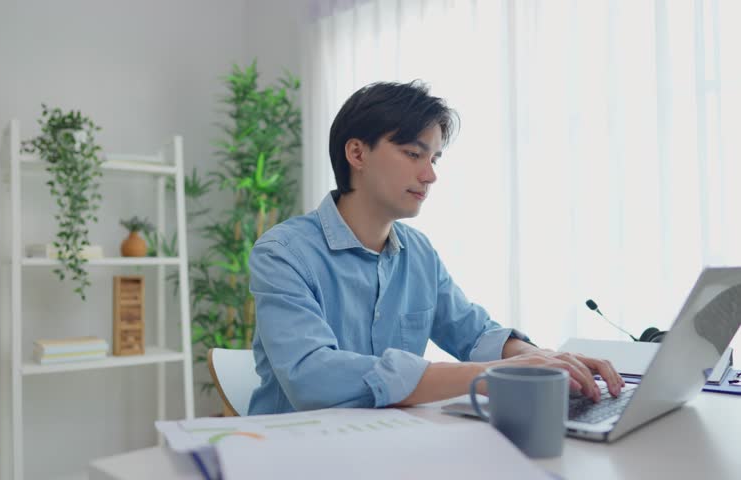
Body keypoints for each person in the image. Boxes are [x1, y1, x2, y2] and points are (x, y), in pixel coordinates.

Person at [247, 80, 624, 415]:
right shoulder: (283, 253)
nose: (430, 175)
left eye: (434, 158)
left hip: (390, 447)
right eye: (414, 154)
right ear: (357, 154)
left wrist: (542, 360)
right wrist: (493, 374)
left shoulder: (418, 252)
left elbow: (473, 333)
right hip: (297, 455)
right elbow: (312, 378)